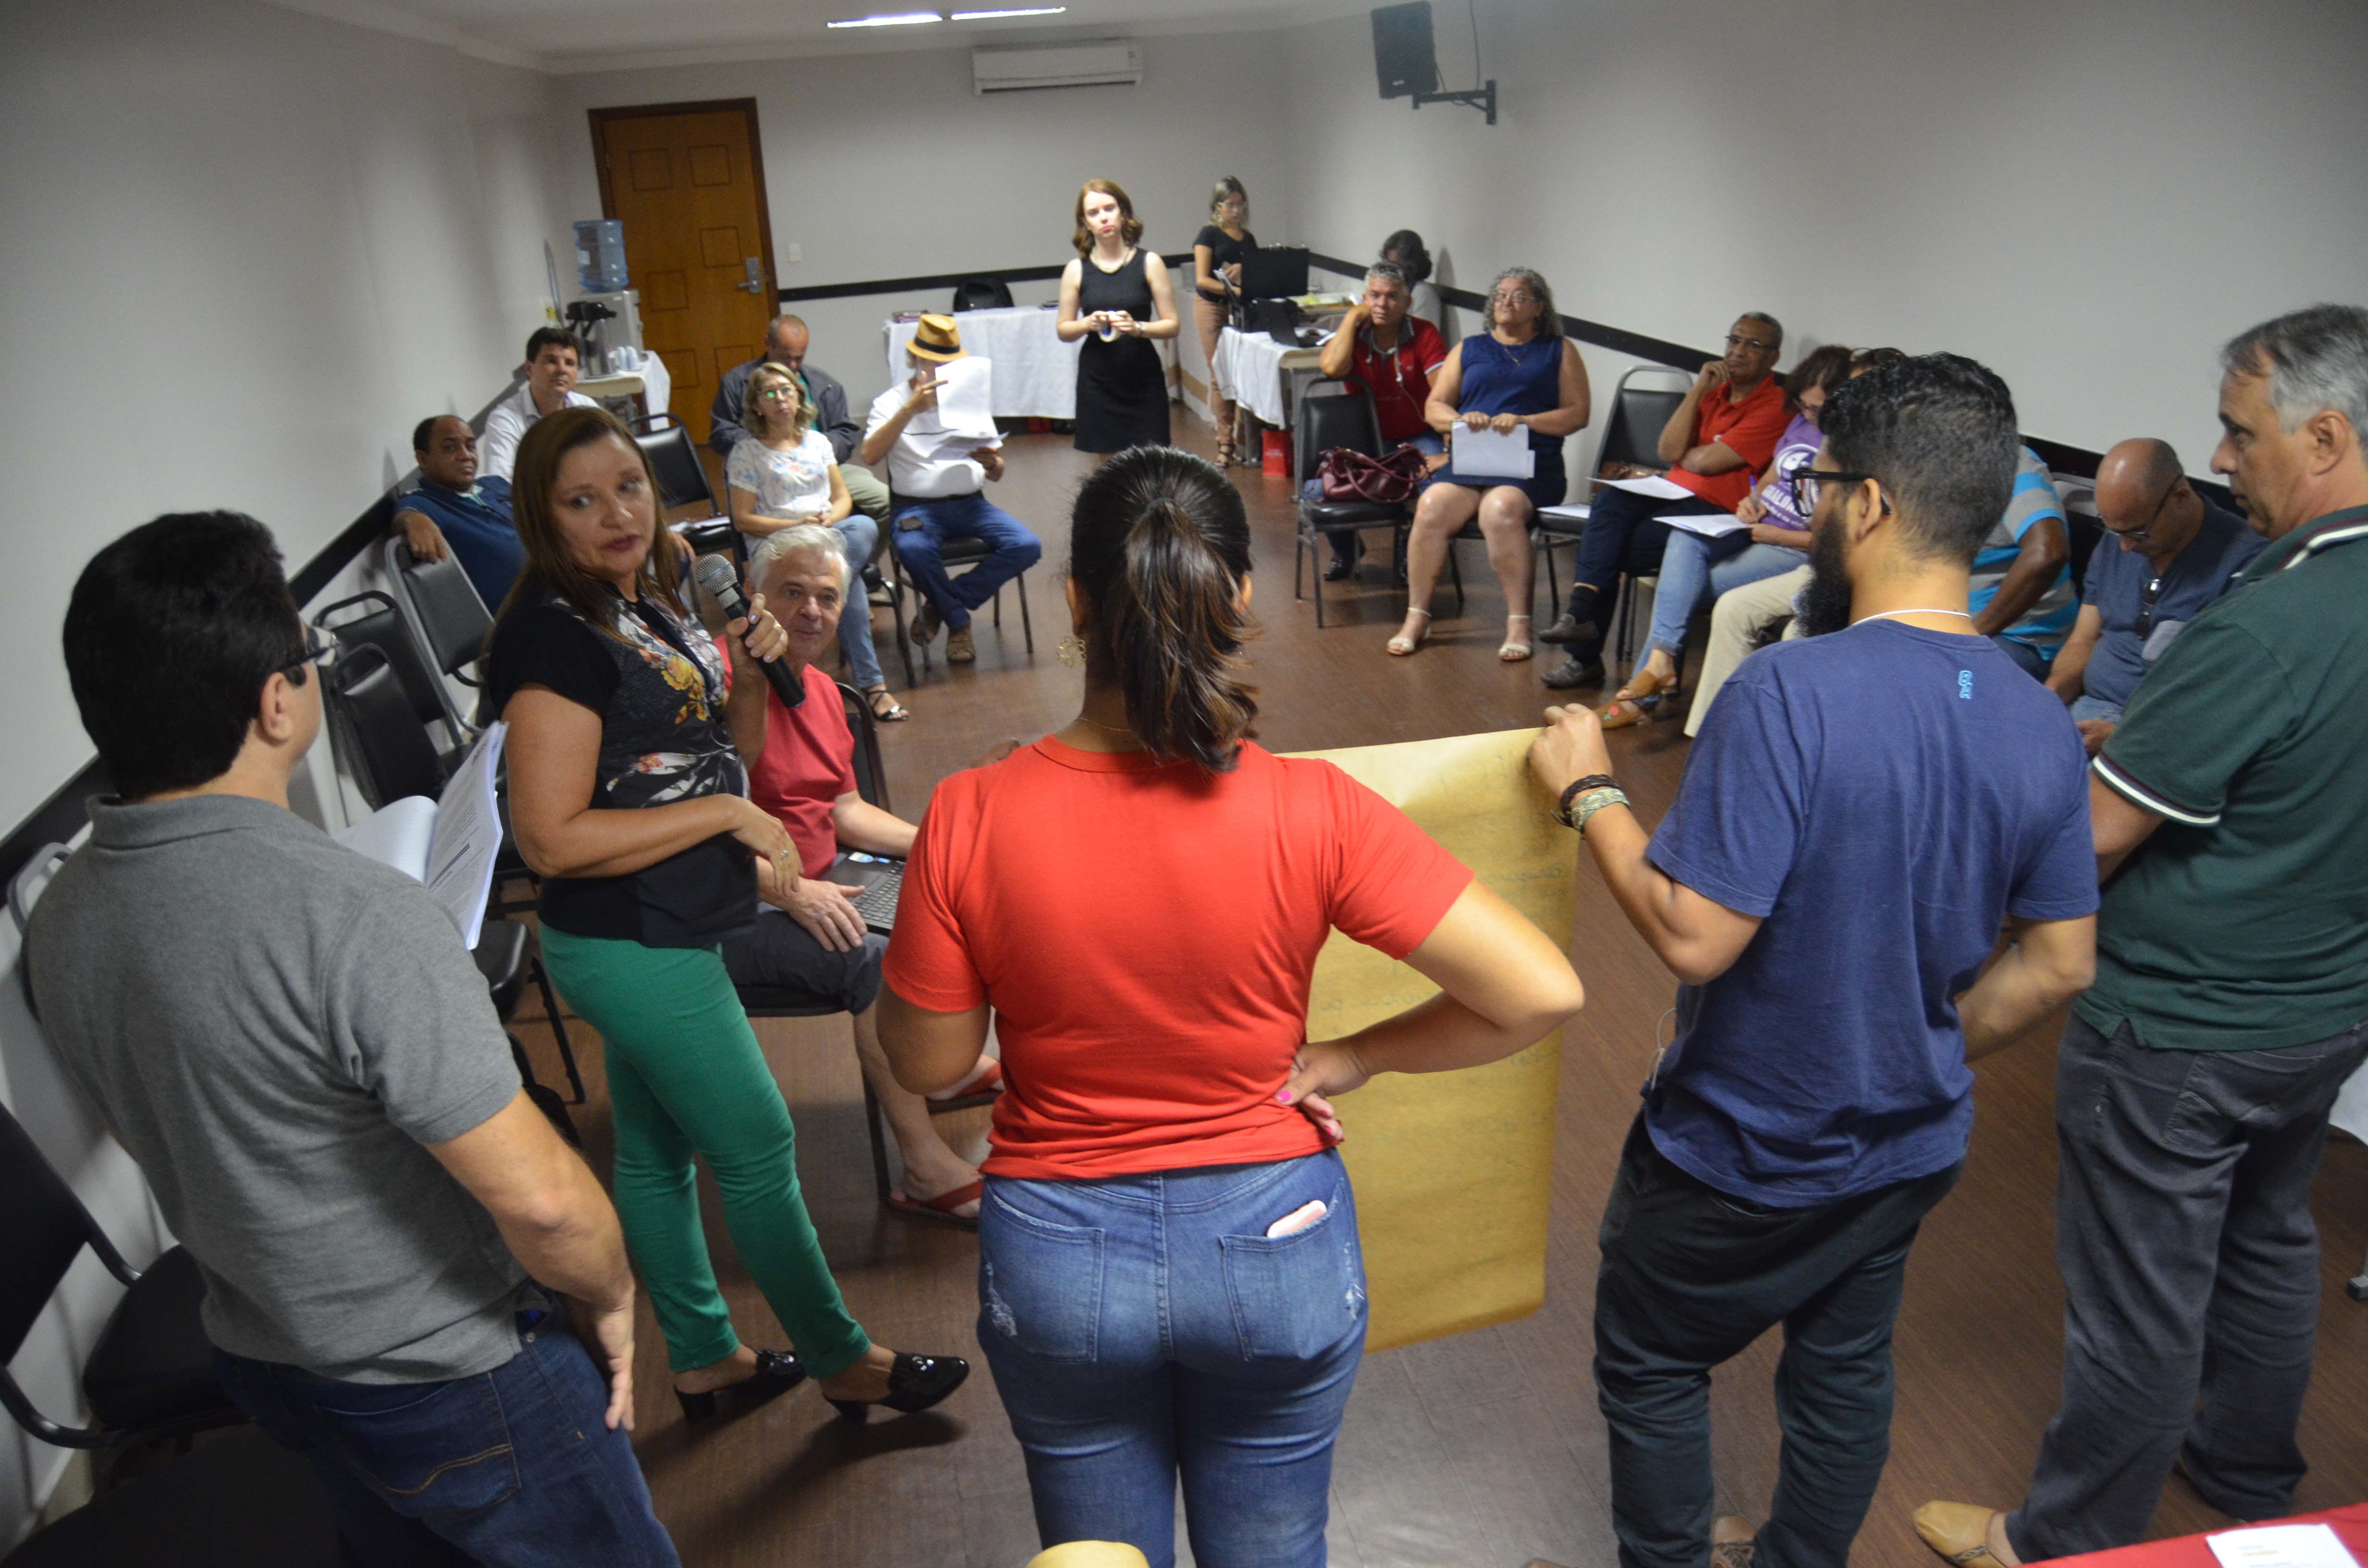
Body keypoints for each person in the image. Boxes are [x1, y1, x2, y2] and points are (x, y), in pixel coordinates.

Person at [876, 447, 1585, 1568]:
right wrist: (1352, 1056)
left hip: (1059, 1259)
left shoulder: (971, 811)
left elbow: (928, 1062)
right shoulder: (1315, 807)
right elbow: (1541, 991)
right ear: (1238, 594)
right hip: (1276, 1244)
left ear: (1075, 603)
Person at [1529, 353, 2098, 1568]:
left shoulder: (1789, 690)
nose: (1809, 506)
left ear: (1872, 503)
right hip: (1908, 1146)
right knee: (1842, 1367)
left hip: (1743, 1148)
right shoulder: (2040, 719)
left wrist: (1589, 791)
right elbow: (2059, 965)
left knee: (1652, 1358)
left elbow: (1695, 933)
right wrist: (1918, 1042)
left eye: (1822, 484)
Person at [28, 511, 678, 1566]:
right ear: (275, 702)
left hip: (271, 1358)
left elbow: (165, 1127)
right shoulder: (351, 914)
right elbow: (544, 1203)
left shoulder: (61, 918)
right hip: (455, 1378)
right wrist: (610, 1295)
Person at [1916, 304, 2368, 1568]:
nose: (2221, 460)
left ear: (2324, 438)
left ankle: (2059, 1540)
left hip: (2181, 1029)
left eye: (2239, 433)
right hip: (2324, 1015)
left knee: (2138, 1298)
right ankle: (2245, 1468)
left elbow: (2095, 840)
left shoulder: (2270, 625)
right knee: (2269, 1238)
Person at [488, 405, 968, 1429]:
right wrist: (728, 817)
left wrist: (746, 675)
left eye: (628, 486)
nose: (618, 513)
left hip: (674, 914)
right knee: (755, 1146)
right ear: (542, 517)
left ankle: (705, 1358)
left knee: (653, 1154)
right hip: (627, 936)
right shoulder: (552, 641)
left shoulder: (647, 600)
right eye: (582, 500)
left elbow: (731, 752)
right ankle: (846, 1360)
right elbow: (549, 840)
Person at [718, 523, 1001, 1221]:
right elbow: (694, 827)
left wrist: (939, 846)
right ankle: (923, 1167)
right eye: (792, 593)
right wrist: (790, 889)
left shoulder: (820, 690)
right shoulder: (719, 683)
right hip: (733, 900)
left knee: (955, 897)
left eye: (826, 597)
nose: (811, 612)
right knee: (869, 956)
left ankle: (936, 1068)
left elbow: (842, 810)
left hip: (821, 877)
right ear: (752, 595)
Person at [1597, 344, 1854, 728]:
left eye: (1817, 410)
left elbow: (1838, 542)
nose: (1807, 415)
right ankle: (1658, 667)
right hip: (1756, 528)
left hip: (1790, 548)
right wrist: (1752, 500)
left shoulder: (1847, 446)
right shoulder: (1800, 423)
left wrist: (1775, 535)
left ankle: (1646, 687)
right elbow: (1772, 476)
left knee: (1679, 589)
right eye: (1803, 405)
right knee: (1684, 538)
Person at [1540, 314, 1791, 689]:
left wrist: (1692, 455)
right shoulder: (1713, 392)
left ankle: (1583, 651)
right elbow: (1668, 450)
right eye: (1734, 340)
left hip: (1718, 513)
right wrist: (1698, 390)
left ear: (1774, 357)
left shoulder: (1777, 405)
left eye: (1753, 345)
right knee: (1611, 500)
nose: (1738, 351)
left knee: (1609, 545)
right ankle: (1581, 612)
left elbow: (1707, 463)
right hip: (1670, 494)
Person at [1679, 347, 1906, 736]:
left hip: (1870, 581)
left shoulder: (1901, 458)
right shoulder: (1842, 444)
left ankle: (1780, 743)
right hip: (1825, 568)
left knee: (1797, 634)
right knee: (1733, 607)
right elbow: (1821, 519)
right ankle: (1715, 734)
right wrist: (1757, 501)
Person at [1391, 267, 1592, 662]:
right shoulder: (1469, 349)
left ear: (1539, 307)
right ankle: (1418, 616)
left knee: (1499, 509)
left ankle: (1518, 622)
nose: (1506, 302)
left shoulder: (1558, 350)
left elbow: (1577, 413)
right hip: (1472, 461)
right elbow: (1435, 406)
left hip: (1531, 466)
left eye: (1519, 296)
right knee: (1430, 506)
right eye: (1500, 295)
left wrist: (1525, 421)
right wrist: (1460, 421)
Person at [2042, 437, 2260, 755]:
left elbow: (2226, 698)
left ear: (2180, 497)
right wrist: (2050, 696)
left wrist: (2120, 736)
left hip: (2163, 736)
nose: (2125, 547)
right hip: (2090, 710)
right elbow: (2084, 639)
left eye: (2138, 533)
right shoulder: (2121, 535)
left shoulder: (2245, 565)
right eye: (2115, 531)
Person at [726, 363, 905, 723]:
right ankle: (873, 686)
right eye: (770, 393)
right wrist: (796, 525)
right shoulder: (746, 452)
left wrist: (830, 520)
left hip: (827, 536)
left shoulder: (818, 442)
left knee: (863, 525)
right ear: (757, 404)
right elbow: (743, 518)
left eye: (787, 390)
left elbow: (842, 498)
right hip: (778, 544)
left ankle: (858, 674)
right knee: (845, 580)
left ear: (799, 397)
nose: (780, 398)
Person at [861, 315, 1043, 667]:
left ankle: (942, 605)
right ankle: (959, 622)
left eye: (950, 365)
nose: (943, 372)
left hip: (971, 504)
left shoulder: (968, 401)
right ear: (915, 359)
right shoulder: (889, 402)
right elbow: (869, 455)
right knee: (912, 549)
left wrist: (992, 462)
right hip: (916, 509)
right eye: (935, 363)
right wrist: (910, 410)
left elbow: (997, 473)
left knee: (1026, 545)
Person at [1313, 258, 1449, 579]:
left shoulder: (1425, 333)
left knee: (1439, 486)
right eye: (1375, 296)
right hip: (1364, 439)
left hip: (1416, 437)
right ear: (1365, 299)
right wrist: (1352, 318)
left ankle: (1410, 556)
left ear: (1407, 302)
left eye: (1392, 297)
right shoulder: (1354, 334)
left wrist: (1449, 447)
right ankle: (1347, 552)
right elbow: (1331, 368)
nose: (1382, 304)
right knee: (1320, 486)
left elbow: (1445, 395)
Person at [712, 313, 892, 533]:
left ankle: (853, 552)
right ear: (768, 344)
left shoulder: (824, 384)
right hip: (767, 469)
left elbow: (846, 431)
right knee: (796, 513)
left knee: (887, 502)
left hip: (825, 467)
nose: (793, 365)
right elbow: (721, 433)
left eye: (799, 358)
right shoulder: (736, 382)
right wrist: (768, 445)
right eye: (786, 358)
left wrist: (814, 453)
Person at [1058, 178, 1180, 457]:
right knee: (1109, 469)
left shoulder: (1150, 263)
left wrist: (1138, 328)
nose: (1103, 218)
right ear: (1085, 223)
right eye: (1093, 213)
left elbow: (1173, 325)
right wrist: (1087, 324)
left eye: (1109, 208)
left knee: (1151, 463)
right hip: (1098, 382)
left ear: (1123, 213)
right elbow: (1063, 330)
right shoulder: (1076, 269)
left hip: (1143, 379)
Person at [392, 414, 524, 611]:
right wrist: (414, 520)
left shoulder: (495, 484)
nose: (466, 456)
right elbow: (403, 516)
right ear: (423, 459)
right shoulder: (426, 503)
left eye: (470, 447)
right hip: (517, 613)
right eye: (451, 448)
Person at [1968, 446, 2075, 678]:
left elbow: (2048, 552)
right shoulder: (1912, 466)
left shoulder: (2009, 463)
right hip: (1943, 624)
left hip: (2017, 638)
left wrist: (1968, 640)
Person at [1190, 176, 1255, 466]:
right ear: (1217, 206)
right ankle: (1225, 442)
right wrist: (1235, 289)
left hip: (1241, 309)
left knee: (1244, 372)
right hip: (1212, 306)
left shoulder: (1248, 239)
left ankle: (1247, 438)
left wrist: (1245, 272)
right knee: (1220, 373)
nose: (1237, 211)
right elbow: (1202, 279)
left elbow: (1258, 274)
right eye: (1230, 205)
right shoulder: (1209, 235)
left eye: (1241, 204)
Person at [481, 327, 597, 480]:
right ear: (529, 369)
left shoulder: (586, 408)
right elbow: (500, 482)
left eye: (570, 363)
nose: (562, 370)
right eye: (551, 361)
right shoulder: (504, 420)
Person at [1381, 228, 1445, 333]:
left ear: (1412, 264)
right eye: (1387, 263)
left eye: (1396, 265)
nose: (1390, 270)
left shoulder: (1423, 294)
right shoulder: (1392, 289)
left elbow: (1425, 338)